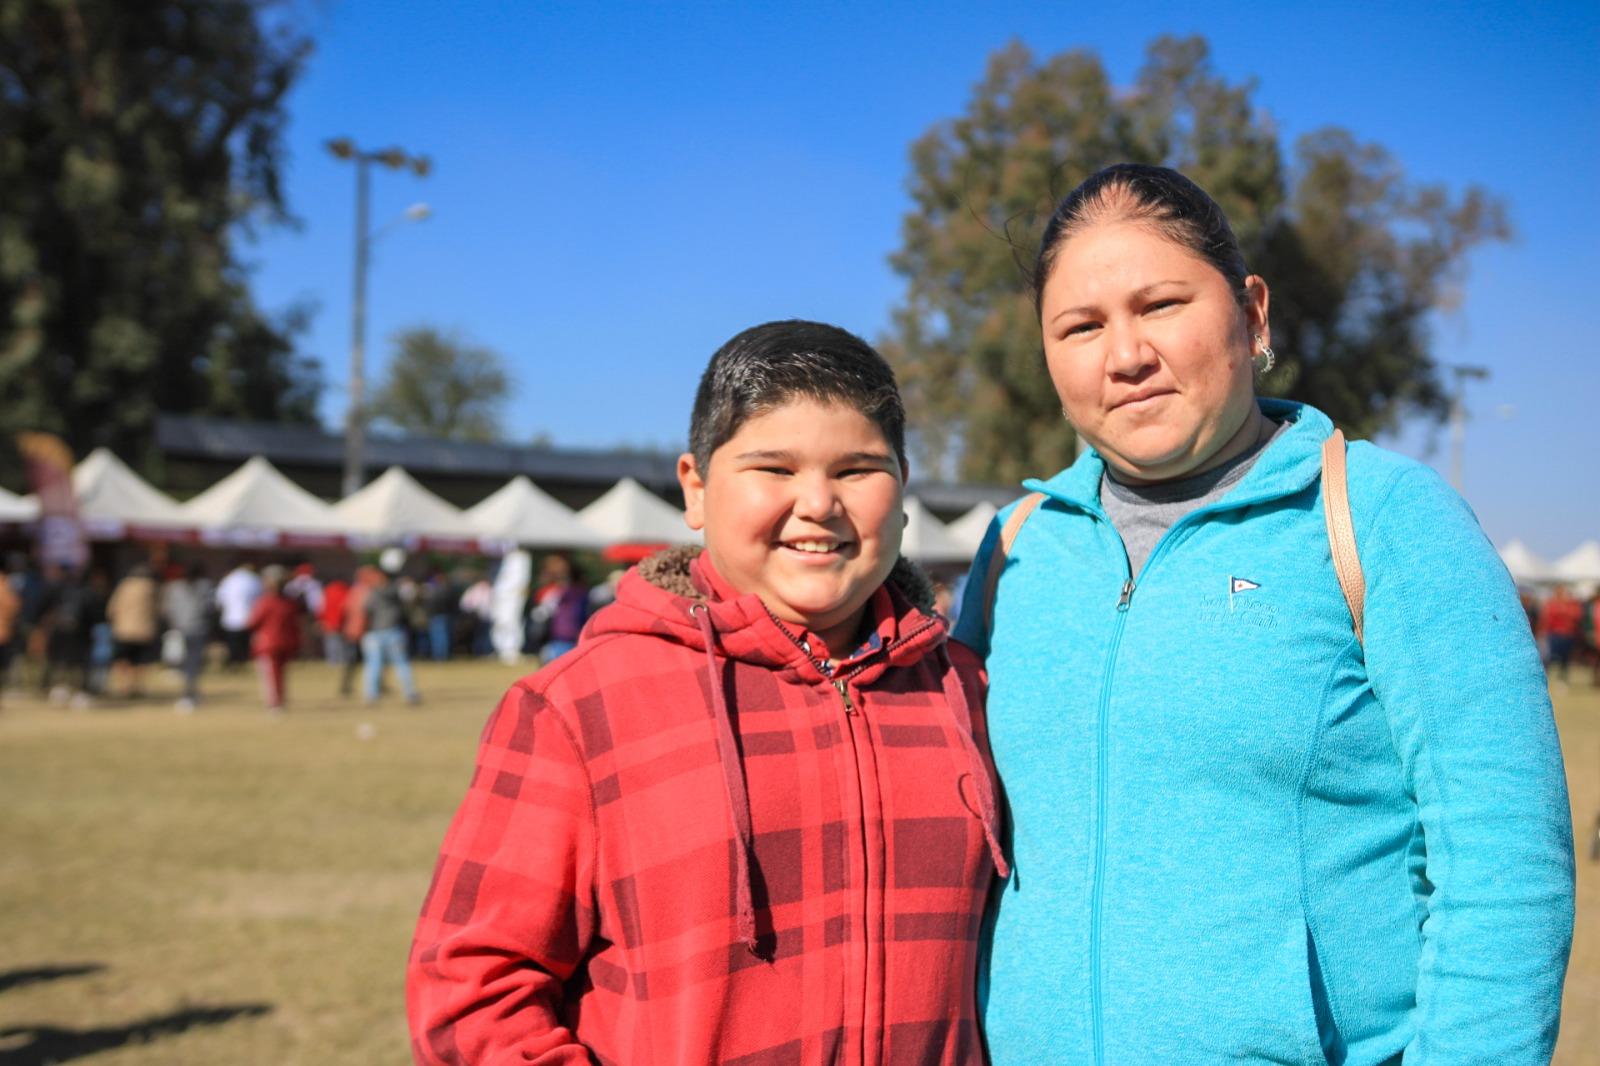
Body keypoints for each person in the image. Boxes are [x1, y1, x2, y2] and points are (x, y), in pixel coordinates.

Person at [955, 163, 1575, 1064]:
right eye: (1080, 326)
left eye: (1160, 304)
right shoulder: (1013, 549)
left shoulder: (1384, 517)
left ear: (1251, 314)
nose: (1124, 355)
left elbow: (1505, 872)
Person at [408, 320, 1006, 1063]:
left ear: (904, 486)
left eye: (857, 469)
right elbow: (470, 990)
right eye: (774, 468)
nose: (818, 502)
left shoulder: (971, 690)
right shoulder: (578, 707)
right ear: (695, 486)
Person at [361, 560, 420, 705]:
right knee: (400, 664)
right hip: (392, 631)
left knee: (375, 665)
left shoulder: (373, 592)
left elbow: (367, 609)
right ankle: (410, 693)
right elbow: (410, 600)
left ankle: (371, 695)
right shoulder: (396, 590)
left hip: (377, 632)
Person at [245, 564, 300, 713]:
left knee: (271, 674)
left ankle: (275, 703)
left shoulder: (265, 602)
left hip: (268, 643)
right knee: (279, 674)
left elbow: (252, 622)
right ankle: (279, 700)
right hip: (286, 642)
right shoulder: (290, 603)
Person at [161, 562, 213, 712]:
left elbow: (167, 610)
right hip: (197, 629)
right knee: (193, 663)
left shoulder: (174, 588)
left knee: (186, 664)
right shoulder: (205, 587)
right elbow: (209, 608)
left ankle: (189, 692)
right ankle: (189, 693)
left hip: (181, 629)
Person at [106, 562, 160, 698]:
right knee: (140, 660)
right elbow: (158, 609)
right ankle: (137, 686)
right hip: (144, 630)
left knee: (122, 659)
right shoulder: (152, 588)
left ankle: (124, 686)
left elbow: (111, 609)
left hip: (123, 630)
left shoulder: (124, 586)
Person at [527, 553, 588, 662]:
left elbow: (542, 613)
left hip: (560, 636)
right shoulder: (581, 592)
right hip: (569, 635)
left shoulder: (557, 592)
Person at [214, 559, 261, 668]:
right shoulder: (253, 580)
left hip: (230, 618)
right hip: (248, 618)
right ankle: (241, 662)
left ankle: (234, 662)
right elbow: (260, 599)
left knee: (232, 644)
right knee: (244, 644)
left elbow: (219, 599)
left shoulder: (229, 579)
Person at [1540, 585, 1583, 685]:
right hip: (1554, 634)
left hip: (1567, 635)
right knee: (1551, 657)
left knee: (1565, 658)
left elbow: (1576, 617)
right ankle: (1544, 677)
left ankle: (1562, 679)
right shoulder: (1551, 604)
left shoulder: (1570, 604)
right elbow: (1547, 619)